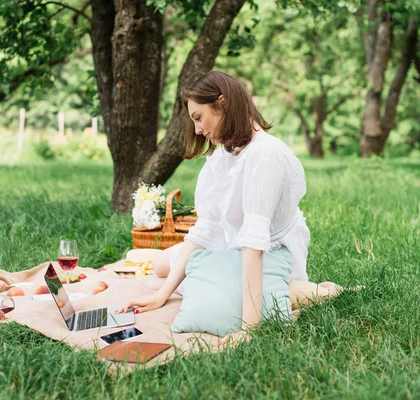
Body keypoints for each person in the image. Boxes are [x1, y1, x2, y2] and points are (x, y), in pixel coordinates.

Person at [116, 71, 341, 347]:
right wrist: (162, 295)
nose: (197, 129)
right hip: (230, 241)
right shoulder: (222, 154)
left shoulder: (264, 155)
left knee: (252, 294)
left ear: (221, 104)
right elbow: (205, 229)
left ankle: (324, 291)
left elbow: (254, 244)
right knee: (161, 267)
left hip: (270, 251)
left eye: (198, 117)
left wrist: (248, 329)